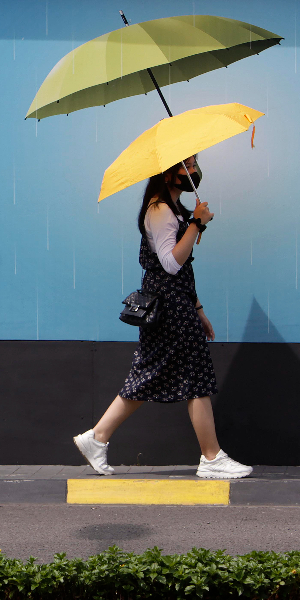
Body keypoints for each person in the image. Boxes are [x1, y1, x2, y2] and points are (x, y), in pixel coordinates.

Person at [73, 155, 251, 480]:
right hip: (169, 308)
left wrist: (198, 309)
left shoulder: (173, 209)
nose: (193, 170)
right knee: (194, 378)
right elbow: (171, 264)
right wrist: (197, 224)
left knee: (152, 374)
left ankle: (96, 437)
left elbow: (182, 271)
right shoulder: (159, 210)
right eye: (186, 165)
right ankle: (212, 458)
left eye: (195, 163)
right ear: (168, 174)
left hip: (178, 304)